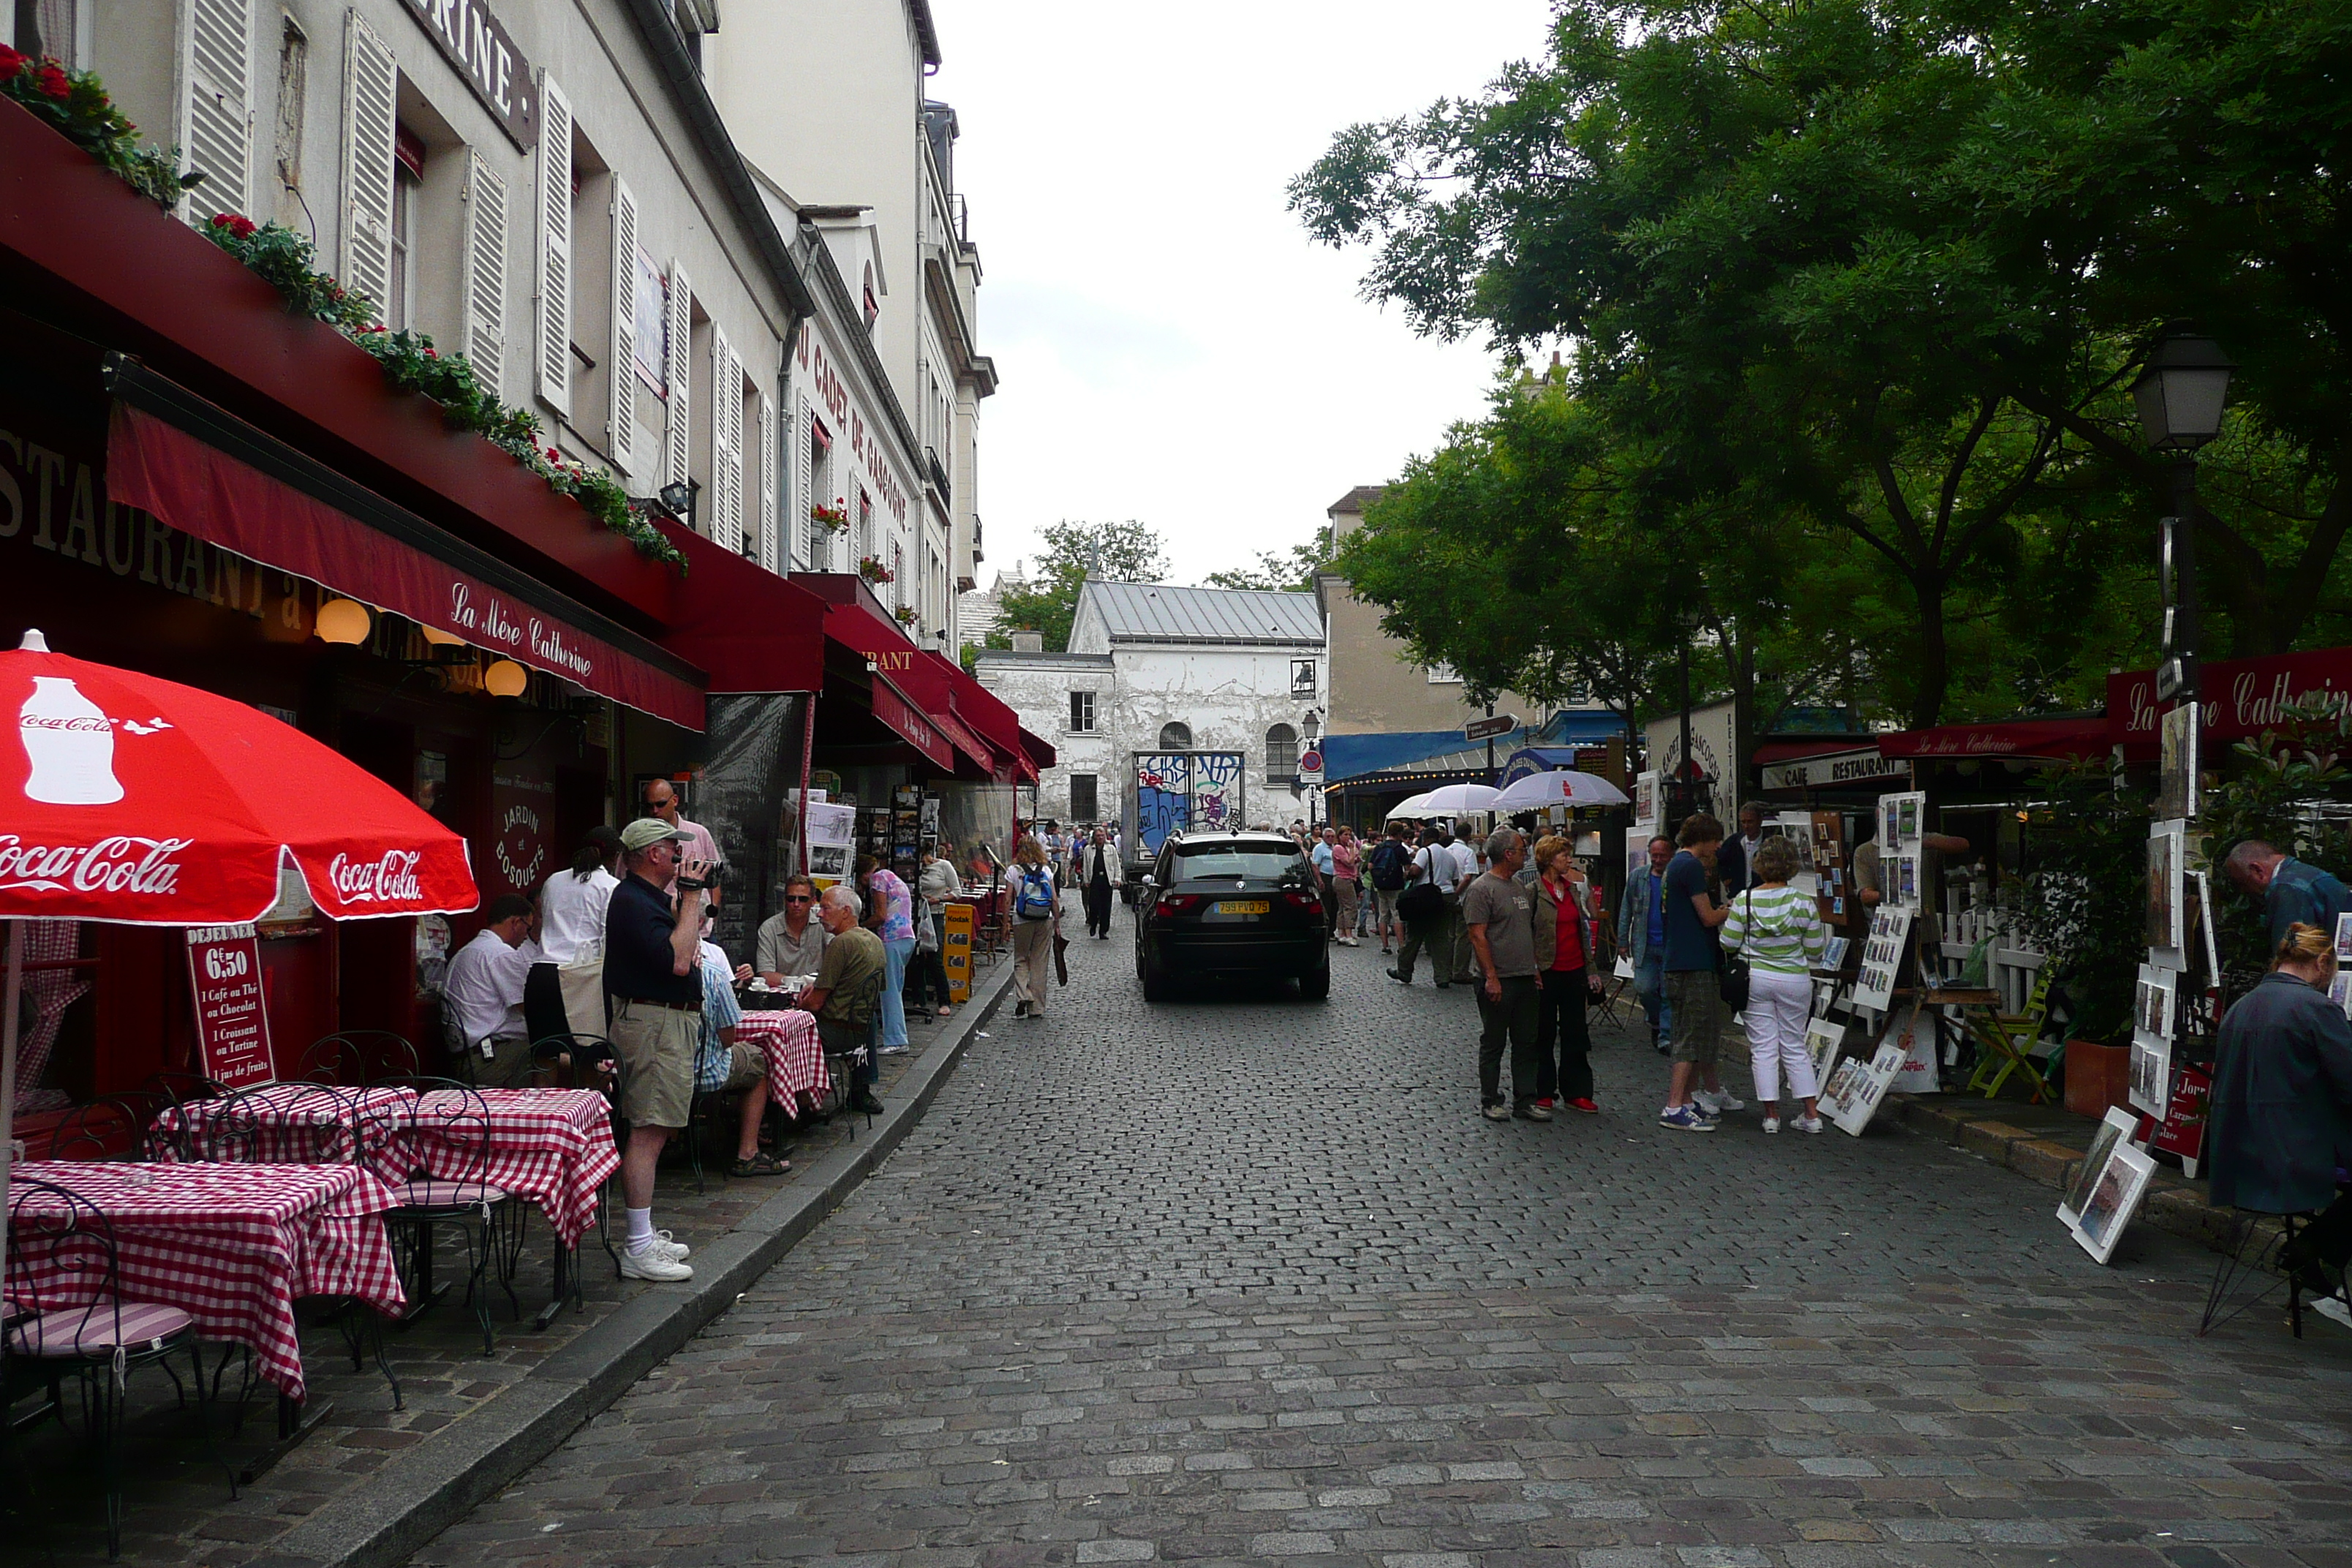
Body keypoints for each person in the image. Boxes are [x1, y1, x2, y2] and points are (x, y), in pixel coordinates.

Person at [2209, 921, 2352, 1300]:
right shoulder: (2316, 1008)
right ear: (2323, 962)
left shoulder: (2241, 1007)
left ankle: (2314, 1251)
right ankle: (2316, 1249)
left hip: (2238, 1158)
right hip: (2292, 1157)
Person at [603, 815, 712, 1282]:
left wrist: (685, 902)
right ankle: (637, 1246)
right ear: (653, 854)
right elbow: (679, 960)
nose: (679, 856)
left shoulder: (644, 898)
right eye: (673, 848)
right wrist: (689, 896)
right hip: (653, 1024)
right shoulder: (631, 900)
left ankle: (644, 1235)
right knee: (647, 1132)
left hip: (664, 1023)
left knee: (660, 1128)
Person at [1721, 835, 1828, 1134]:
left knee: (1764, 1048)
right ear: (1792, 866)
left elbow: (1728, 943)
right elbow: (1816, 950)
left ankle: (1771, 1116)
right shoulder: (1804, 903)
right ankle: (1811, 1115)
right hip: (1795, 980)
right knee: (1795, 1045)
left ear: (1759, 865)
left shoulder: (1745, 899)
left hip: (1756, 980)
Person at [690, 902, 786, 1177]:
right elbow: (728, 1036)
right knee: (756, 1060)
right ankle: (747, 1151)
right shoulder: (711, 973)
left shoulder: (645, 964)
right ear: (699, 924)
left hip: (655, 1070)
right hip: (700, 1073)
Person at [1659, 813, 1742, 1131]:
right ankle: (1675, 1104)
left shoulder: (1673, 867)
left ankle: (1689, 1101)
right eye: (1716, 839)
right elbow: (1707, 917)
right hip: (1692, 961)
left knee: (1692, 1031)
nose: (1719, 846)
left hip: (1678, 960)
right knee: (1692, 1035)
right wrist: (1731, 910)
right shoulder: (1691, 866)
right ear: (1703, 838)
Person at [1463, 827, 1544, 1121]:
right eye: (1522, 850)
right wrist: (1491, 977)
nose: (1526, 854)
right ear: (1507, 854)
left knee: (1526, 1043)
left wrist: (1533, 968)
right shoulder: (1482, 889)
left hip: (1523, 977)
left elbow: (1525, 931)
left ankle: (1525, 1100)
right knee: (1494, 1041)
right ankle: (1491, 1100)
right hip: (1499, 980)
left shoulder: (1519, 887)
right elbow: (1477, 936)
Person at [1531, 834, 1605, 1115]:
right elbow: (1529, 934)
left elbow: (1582, 931)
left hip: (1574, 970)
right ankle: (1544, 1091)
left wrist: (1591, 970)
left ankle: (1577, 1091)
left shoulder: (1573, 890)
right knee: (1544, 1033)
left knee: (1576, 1033)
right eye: (1564, 856)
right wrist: (1533, 967)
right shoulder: (1534, 892)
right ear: (1550, 859)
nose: (1569, 860)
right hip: (1547, 972)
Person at [797, 886, 886, 1115]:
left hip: (836, 1033)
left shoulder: (841, 943)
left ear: (846, 911)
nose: (819, 914)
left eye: (826, 908)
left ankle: (799, 1105)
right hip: (860, 1031)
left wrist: (798, 1004)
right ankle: (860, 1089)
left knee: (785, 1035)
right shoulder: (874, 941)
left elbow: (815, 1003)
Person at [529, 826, 620, 1045]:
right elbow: (606, 938)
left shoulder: (553, 881)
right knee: (589, 1058)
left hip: (542, 975)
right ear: (615, 857)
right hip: (580, 978)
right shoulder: (610, 886)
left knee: (544, 1059)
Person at [444, 894, 537, 1084]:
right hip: (490, 1059)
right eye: (527, 928)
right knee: (555, 1055)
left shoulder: (466, 952)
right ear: (516, 923)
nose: (527, 935)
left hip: (463, 1059)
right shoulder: (501, 954)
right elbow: (529, 1009)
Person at [2223, 840, 2352, 954]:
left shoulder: (2288, 887)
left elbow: (2291, 956)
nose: (2245, 890)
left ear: (2257, 870)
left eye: (2243, 883)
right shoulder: (2306, 874)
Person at [1617, 834, 1676, 1055]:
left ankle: (1665, 1036)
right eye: (1654, 855)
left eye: (1662, 855)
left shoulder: (1675, 877)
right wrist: (1622, 941)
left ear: (1671, 855)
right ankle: (1655, 1021)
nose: (1658, 860)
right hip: (1645, 945)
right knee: (1645, 988)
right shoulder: (1638, 877)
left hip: (1670, 945)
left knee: (1668, 992)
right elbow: (1626, 909)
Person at [859, 854, 918, 1053]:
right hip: (906, 937)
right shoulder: (892, 877)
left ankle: (896, 1040)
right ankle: (897, 1036)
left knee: (889, 991)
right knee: (895, 989)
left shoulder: (878, 879)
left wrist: (860, 926)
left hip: (892, 937)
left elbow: (881, 915)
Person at [1391, 824, 1462, 986]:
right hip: (1445, 897)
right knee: (1441, 939)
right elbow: (1455, 880)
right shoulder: (1450, 856)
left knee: (1414, 937)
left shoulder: (1425, 852)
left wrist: (1406, 875)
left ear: (1426, 838)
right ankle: (1443, 977)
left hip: (1425, 899)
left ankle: (1404, 971)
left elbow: (1416, 871)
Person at [1007, 834, 1060, 1019]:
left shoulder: (1013, 870)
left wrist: (1005, 922)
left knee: (1021, 958)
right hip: (1044, 918)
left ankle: (1023, 995)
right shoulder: (1045, 870)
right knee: (1039, 962)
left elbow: (1008, 898)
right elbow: (1054, 897)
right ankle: (1036, 1007)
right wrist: (1057, 922)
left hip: (1021, 920)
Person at [641, 777, 720, 889]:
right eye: (650, 806)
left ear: (675, 800)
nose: (655, 810)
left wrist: (713, 906)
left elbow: (715, 878)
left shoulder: (700, 833)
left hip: (697, 903)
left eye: (661, 804)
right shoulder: (639, 839)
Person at [755, 873, 829, 985]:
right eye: (791, 899)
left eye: (803, 899)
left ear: (813, 901)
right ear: (785, 900)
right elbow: (766, 974)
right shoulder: (769, 928)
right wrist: (800, 983)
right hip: (781, 996)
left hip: (816, 995)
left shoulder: (823, 924)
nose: (796, 904)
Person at [912, 848, 962, 1015]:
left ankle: (944, 1000)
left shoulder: (944, 866)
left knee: (935, 956)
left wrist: (939, 899)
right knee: (916, 957)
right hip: (916, 914)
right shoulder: (915, 867)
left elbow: (957, 892)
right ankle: (918, 999)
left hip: (935, 914)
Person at [1368, 822, 1412, 954]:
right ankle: (1401, 945)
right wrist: (1404, 877)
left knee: (1383, 915)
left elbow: (1370, 866)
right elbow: (1408, 869)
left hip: (1380, 885)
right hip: (1396, 885)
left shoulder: (1379, 847)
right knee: (1397, 915)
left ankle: (1385, 945)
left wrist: (1378, 877)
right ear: (1399, 834)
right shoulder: (1400, 849)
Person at [1448, 823, 1483, 984]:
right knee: (1463, 936)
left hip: (1447, 896)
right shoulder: (1468, 852)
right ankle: (1460, 970)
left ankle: (1447, 968)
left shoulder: (1447, 851)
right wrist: (1457, 893)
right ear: (1468, 835)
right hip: (1463, 898)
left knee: (1450, 935)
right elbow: (1469, 877)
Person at [1717, 802, 1771, 897]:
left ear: (1760, 821)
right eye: (1743, 822)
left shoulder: (1770, 844)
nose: (1746, 826)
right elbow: (1720, 859)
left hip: (1763, 894)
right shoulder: (1733, 842)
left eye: (1750, 822)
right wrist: (1725, 877)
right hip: (1738, 893)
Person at [1077, 825, 1122, 938]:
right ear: (1094, 837)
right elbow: (1086, 865)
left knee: (1106, 907)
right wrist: (1086, 880)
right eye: (1098, 836)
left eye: (1102, 835)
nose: (1100, 838)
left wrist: (1117, 878)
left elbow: (1116, 864)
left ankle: (1103, 931)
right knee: (1094, 905)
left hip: (1107, 880)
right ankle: (1093, 924)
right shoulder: (1089, 849)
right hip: (1094, 880)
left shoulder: (1111, 848)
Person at [1330, 827, 1363, 946]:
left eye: (1349, 835)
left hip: (1346, 878)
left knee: (1342, 907)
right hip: (1343, 879)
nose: (1348, 837)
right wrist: (1352, 849)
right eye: (1345, 835)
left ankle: (1342, 934)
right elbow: (1349, 862)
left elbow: (1354, 860)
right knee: (1351, 906)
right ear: (1339, 836)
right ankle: (1349, 934)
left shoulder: (1344, 848)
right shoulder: (1339, 848)